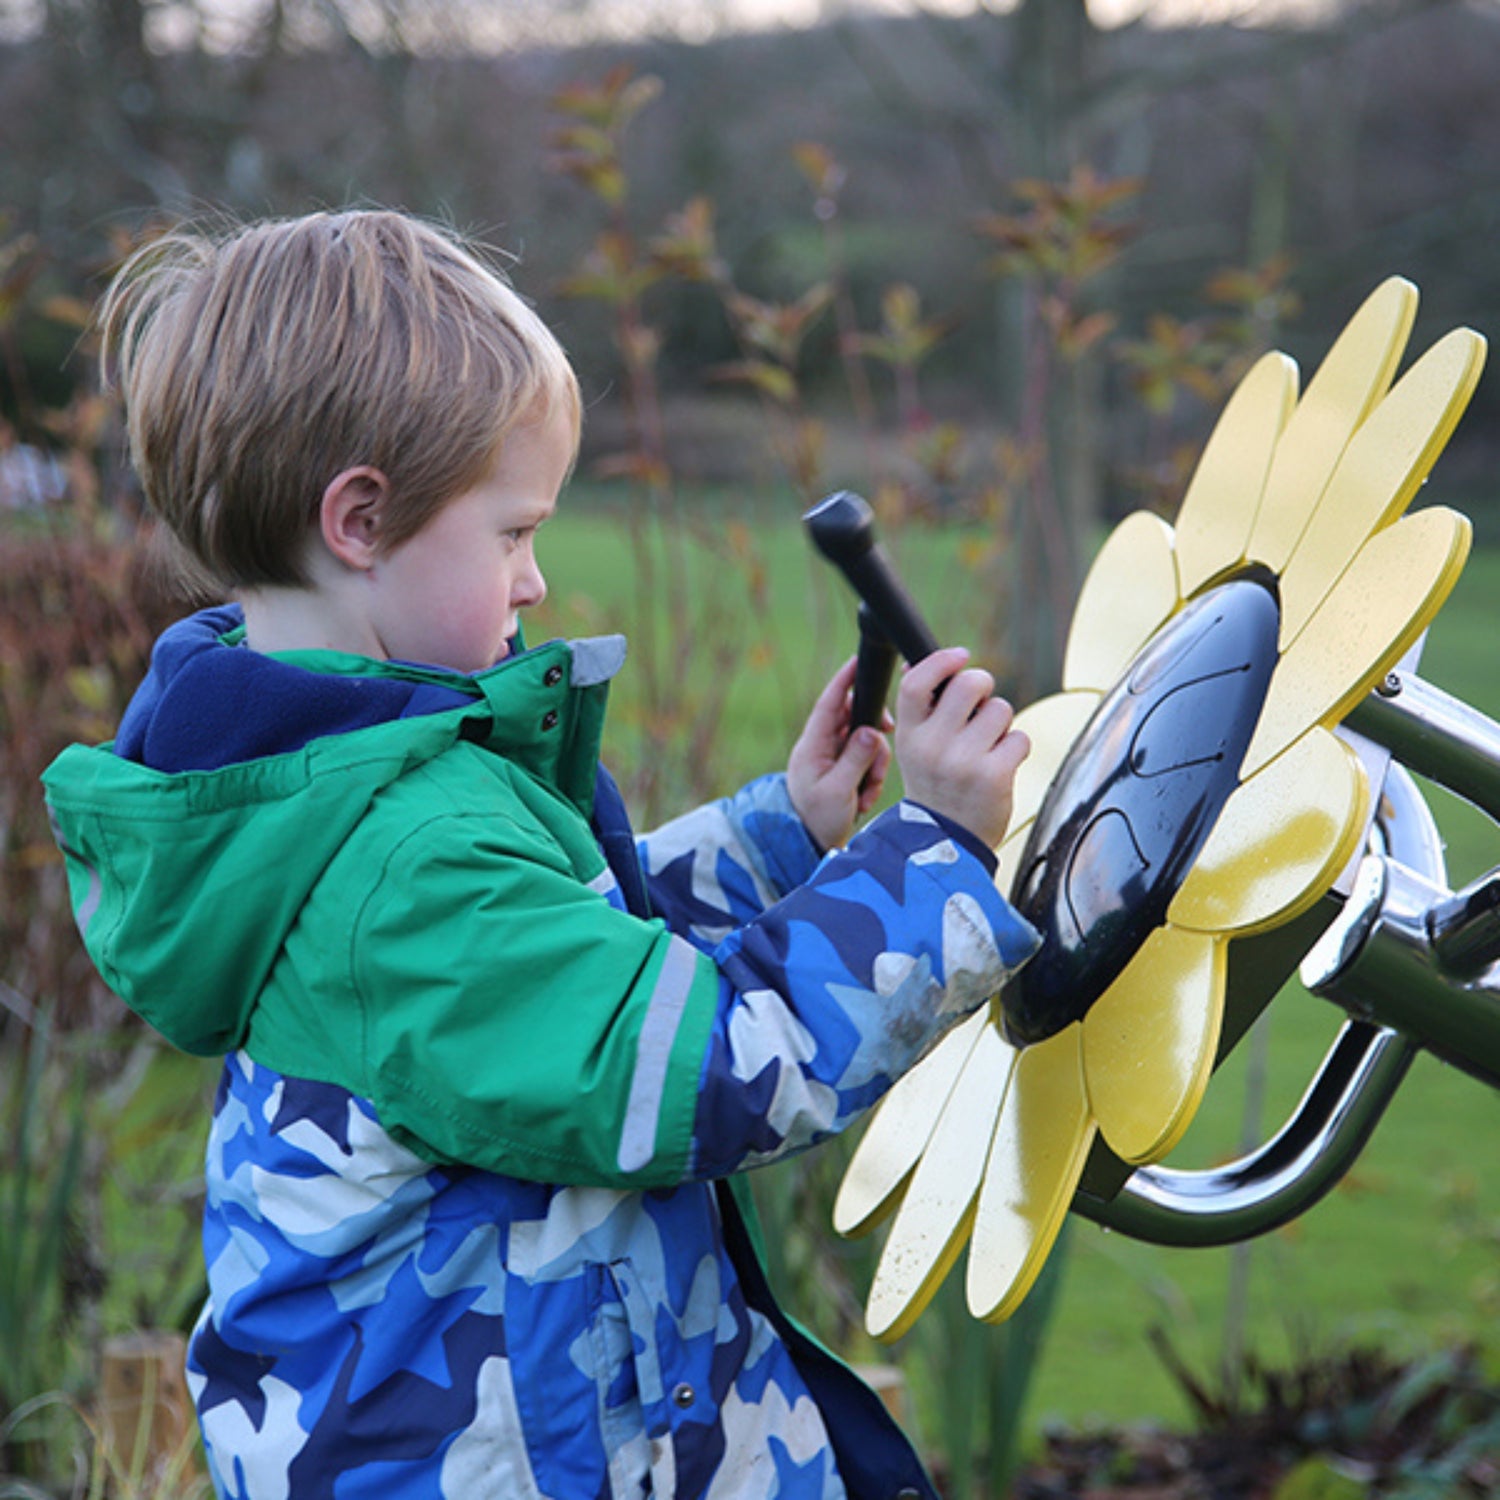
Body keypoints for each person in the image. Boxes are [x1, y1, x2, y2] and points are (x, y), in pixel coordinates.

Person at [43, 209, 1039, 1500]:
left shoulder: (323, 781)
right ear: (360, 522)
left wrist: (781, 834)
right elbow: (703, 1070)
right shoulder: (400, 856)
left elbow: (570, 960)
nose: (536, 583)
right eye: (512, 534)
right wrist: (938, 855)